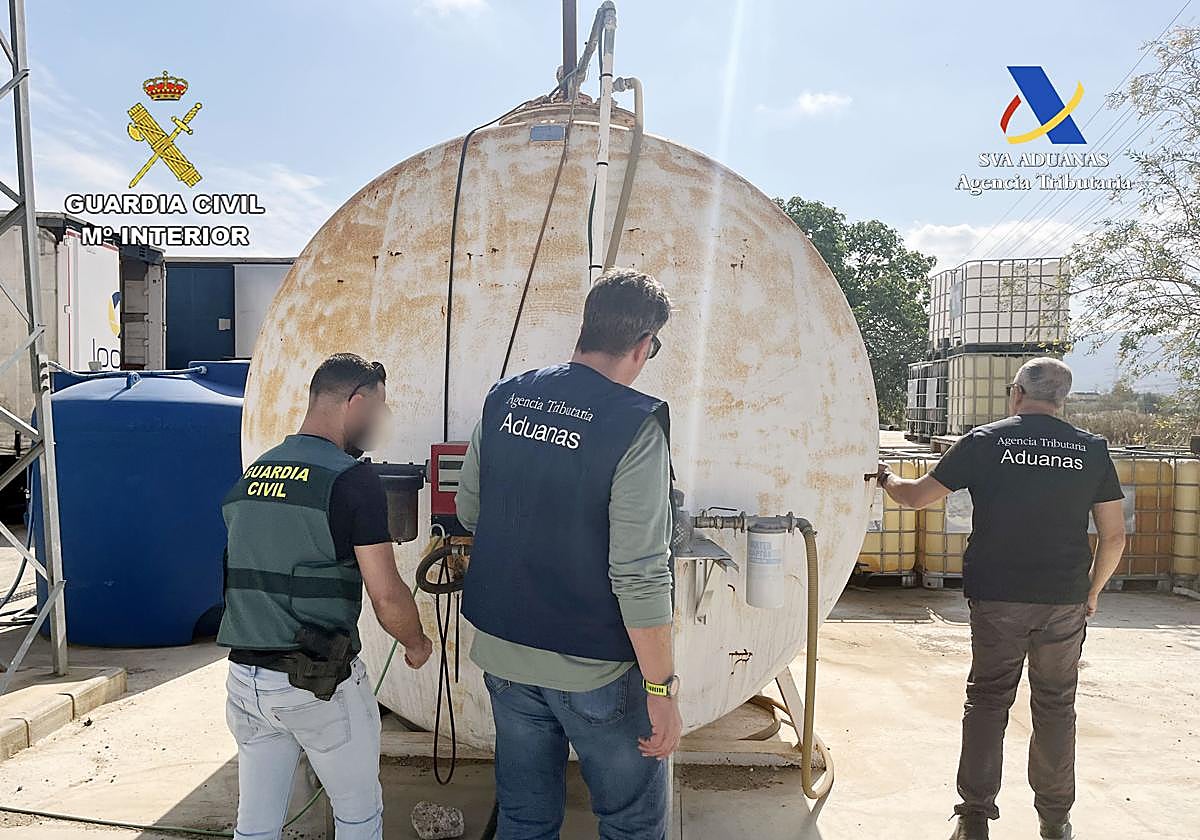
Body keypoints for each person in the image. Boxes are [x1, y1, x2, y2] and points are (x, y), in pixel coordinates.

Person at [456, 268, 681, 840]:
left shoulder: (506, 397)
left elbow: (470, 512)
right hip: (593, 666)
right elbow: (640, 574)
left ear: (585, 328)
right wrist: (661, 691)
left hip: (505, 653)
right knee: (630, 819)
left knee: (525, 817)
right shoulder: (634, 425)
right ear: (642, 345)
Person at [876, 357, 1126, 840]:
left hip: (998, 597)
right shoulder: (1091, 450)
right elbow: (1113, 537)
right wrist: (1091, 593)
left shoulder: (986, 441)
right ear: (1062, 399)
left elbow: (914, 498)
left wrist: (884, 478)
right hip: (1064, 598)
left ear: (1016, 393)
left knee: (988, 702)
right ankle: (1055, 822)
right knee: (1056, 705)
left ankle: (973, 819)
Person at [218, 353, 433, 840]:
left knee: (255, 826)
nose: (378, 422)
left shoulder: (255, 471)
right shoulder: (351, 480)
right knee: (358, 815)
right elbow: (386, 595)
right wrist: (416, 642)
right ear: (355, 402)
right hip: (317, 682)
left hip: (246, 681)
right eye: (377, 409)